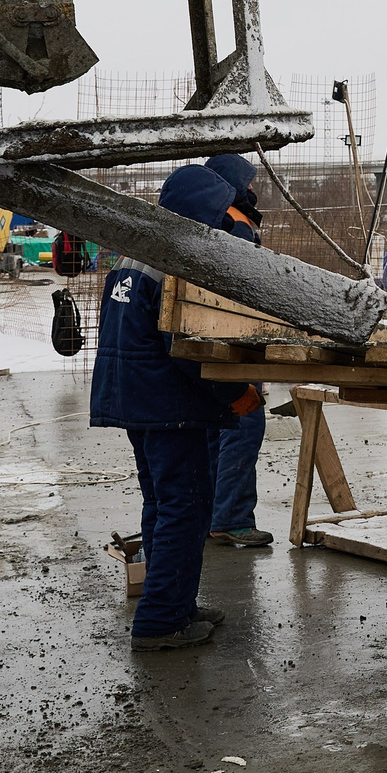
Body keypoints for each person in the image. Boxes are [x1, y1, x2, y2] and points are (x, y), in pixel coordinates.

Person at [91, 163, 257, 649]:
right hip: (168, 406)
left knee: (162, 504)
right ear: (198, 214)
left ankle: (172, 601)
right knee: (184, 509)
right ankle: (161, 622)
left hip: (136, 401)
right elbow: (187, 348)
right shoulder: (175, 265)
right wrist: (236, 392)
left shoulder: (134, 255)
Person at [200, 153, 275, 548]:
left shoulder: (210, 215)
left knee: (219, 429)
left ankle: (214, 515)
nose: (252, 188)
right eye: (247, 181)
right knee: (245, 424)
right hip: (235, 341)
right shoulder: (235, 222)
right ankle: (231, 517)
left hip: (211, 340)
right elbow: (245, 286)